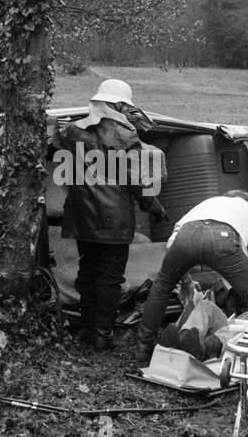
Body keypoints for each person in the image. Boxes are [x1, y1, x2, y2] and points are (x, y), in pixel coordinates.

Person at [52, 78, 167, 350]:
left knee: (88, 273)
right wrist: (156, 208)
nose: (128, 113)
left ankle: (86, 330)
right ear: (117, 105)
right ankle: (103, 335)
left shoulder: (72, 131)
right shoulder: (127, 136)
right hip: (114, 220)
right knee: (110, 277)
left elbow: (56, 142)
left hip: (82, 218)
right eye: (126, 108)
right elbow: (137, 181)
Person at [135, 186, 248, 366]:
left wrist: (186, 282)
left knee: (162, 287)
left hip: (186, 236)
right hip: (223, 239)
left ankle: (143, 351)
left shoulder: (207, 204)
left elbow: (171, 245)